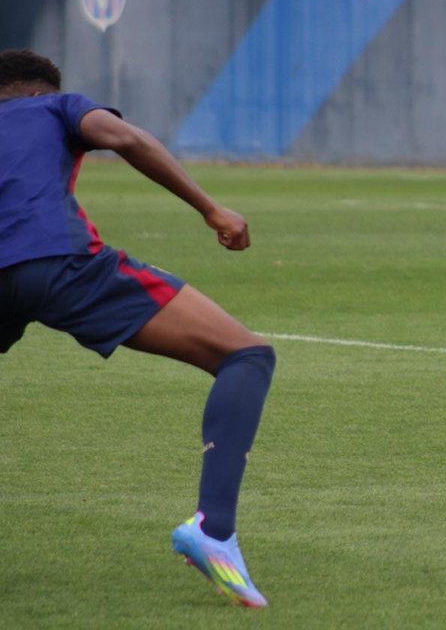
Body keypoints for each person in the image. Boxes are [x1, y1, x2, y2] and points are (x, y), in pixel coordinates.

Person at [0, 49, 274, 608]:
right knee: (245, 354)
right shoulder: (56, 107)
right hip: (59, 263)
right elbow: (126, 138)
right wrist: (211, 210)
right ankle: (213, 530)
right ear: (36, 93)